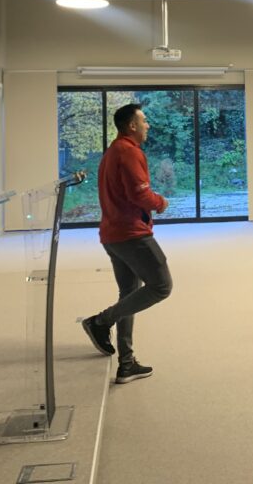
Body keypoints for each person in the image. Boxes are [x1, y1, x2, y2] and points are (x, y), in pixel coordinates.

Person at [79, 103, 172, 384]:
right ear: (132, 125)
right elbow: (139, 195)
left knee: (129, 293)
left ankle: (127, 363)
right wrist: (160, 202)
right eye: (144, 120)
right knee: (161, 285)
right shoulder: (129, 152)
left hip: (113, 236)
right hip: (132, 236)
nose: (147, 125)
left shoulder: (112, 152)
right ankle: (100, 321)